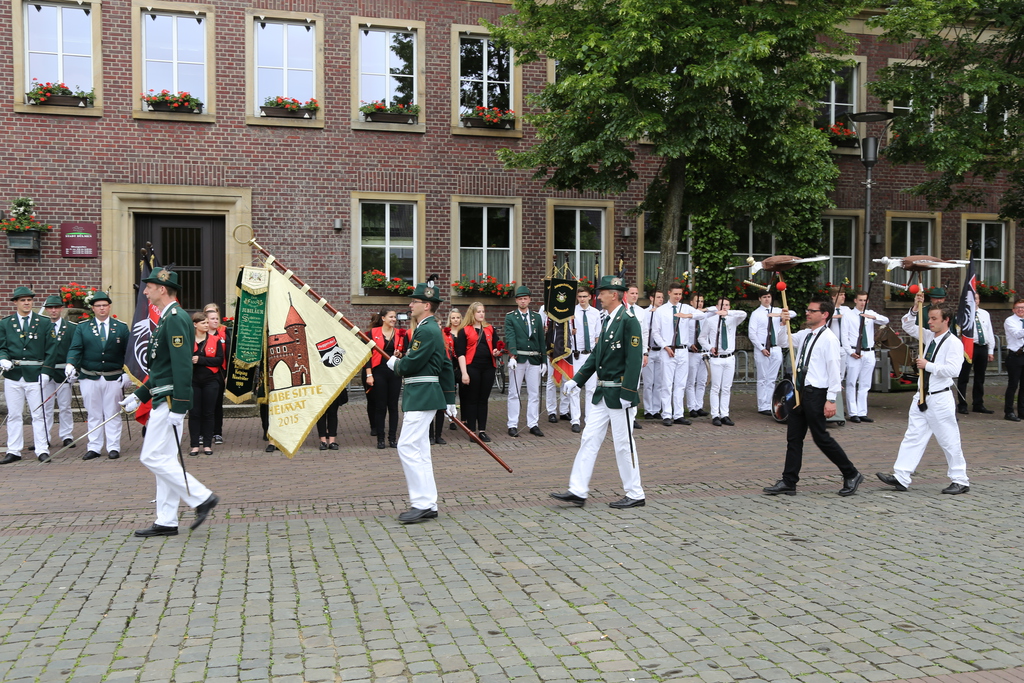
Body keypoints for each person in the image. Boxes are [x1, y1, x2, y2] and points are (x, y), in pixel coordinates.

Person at [119, 267, 219, 537]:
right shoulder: (167, 317)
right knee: (163, 460)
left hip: (170, 400)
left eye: (149, 287)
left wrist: (181, 405)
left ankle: (202, 497)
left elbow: (182, 364)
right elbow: (162, 367)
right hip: (163, 396)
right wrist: (138, 396)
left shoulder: (174, 318)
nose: (145, 292)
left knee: (151, 456)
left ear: (162, 289)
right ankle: (166, 520)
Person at [550, 276, 645, 509]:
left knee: (623, 444)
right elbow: (596, 356)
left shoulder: (628, 320)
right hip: (603, 393)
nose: (598, 296)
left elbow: (634, 360)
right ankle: (578, 490)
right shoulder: (609, 320)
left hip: (619, 394)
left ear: (614, 294)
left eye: (602, 293)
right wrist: (577, 380)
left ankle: (635, 492)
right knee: (589, 438)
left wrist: (628, 392)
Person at [764, 298, 864, 497]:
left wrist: (831, 399)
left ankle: (851, 473)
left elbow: (834, 371)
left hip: (816, 393)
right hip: (799, 392)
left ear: (824, 314)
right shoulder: (805, 334)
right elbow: (783, 341)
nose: (807, 313)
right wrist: (783, 324)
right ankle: (789, 481)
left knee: (821, 438)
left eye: (812, 311)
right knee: (793, 438)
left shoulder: (829, 339)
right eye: (807, 310)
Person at [877, 295, 970, 494]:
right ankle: (901, 476)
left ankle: (960, 479)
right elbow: (908, 326)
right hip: (921, 396)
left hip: (940, 397)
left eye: (934, 319)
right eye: (929, 318)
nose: (930, 322)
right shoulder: (929, 337)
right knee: (913, 436)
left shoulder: (953, 343)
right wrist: (915, 308)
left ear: (946, 320)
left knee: (949, 440)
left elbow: (954, 370)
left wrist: (928, 365)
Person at [386, 282, 457, 523]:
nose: (410, 305)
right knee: (420, 450)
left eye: (414, 301)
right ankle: (428, 502)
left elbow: (412, 363)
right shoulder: (431, 328)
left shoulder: (426, 330)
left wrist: (396, 365)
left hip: (422, 395)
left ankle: (421, 503)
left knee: (406, 447)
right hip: (425, 394)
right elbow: (445, 365)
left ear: (426, 305)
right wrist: (449, 399)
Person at [65, 291, 129, 460]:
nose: (102, 308)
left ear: (109, 307)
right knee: (93, 413)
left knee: (113, 412)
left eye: (104, 305)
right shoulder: (82, 327)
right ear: (93, 308)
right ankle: (94, 447)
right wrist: (71, 363)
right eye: (98, 306)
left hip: (113, 376)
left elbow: (128, 352)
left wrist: (127, 373)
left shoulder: (121, 327)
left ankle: (113, 446)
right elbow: (76, 348)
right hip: (89, 376)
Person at [0, 286, 54, 464]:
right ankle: (14, 450)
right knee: (14, 414)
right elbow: (2, 346)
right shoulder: (6, 323)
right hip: (13, 374)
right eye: (22, 300)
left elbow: (51, 349)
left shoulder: (44, 322)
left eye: (29, 300)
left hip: (35, 374)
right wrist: (3, 358)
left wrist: (46, 372)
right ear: (15, 302)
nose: (26, 303)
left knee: (38, 414)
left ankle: (42, 449)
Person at [652, 284, 704, 426]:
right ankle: (666, 414)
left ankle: (678, 414)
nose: (678, 297)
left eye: (680, 294)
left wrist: (688, 315)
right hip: (668, 349)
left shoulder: (685, 308)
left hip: (683, 350)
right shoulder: (661, 311)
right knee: (667, 384)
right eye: (675, 294)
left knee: (680, 384)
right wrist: (665, 346)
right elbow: (655, 332)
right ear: (669, 293)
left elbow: (702, 314)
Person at [698, 297, 747, 426]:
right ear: (716, 307)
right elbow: (701, 338)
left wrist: (728, 313)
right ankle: (715, 415)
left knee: (726, 388)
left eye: (727, 305)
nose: (724, 307)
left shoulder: (733, 319)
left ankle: (725, 414)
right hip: (717, 358)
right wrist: (710, 347)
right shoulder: (710, 321)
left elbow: (743, 314)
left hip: (729, 357)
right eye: (722, 305)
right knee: (716, 387)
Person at [504, 285, 546, 437]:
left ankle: (533, 423)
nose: (523, 301)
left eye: (525, 299)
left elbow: (541, 339)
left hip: (534, 358)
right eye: (520, 299)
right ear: (516, 300)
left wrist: (544, 360)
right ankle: (512, 424)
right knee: (514, 392)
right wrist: (512, 355)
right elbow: (510, 337)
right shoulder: (511, 317)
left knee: (534, 393)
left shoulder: (536, 317)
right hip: (518, 358)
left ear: (529, 300)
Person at [455, 302, 500, 442]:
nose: (481, 314)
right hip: (472, 367)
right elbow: (460, 353)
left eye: (483, 311)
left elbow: (497, 346)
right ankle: (472, 431)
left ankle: (482, 430)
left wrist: (497, 351)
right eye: (478, 311)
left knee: (483, 399)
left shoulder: (489, 328)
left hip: (488, 367)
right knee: (472, 399)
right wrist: (464, 373)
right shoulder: (464, 330)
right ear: (472, 313)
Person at [843, 290, 889, 423]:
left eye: (865, 300)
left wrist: (873, 317)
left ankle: (862, 412)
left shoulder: (870, 313)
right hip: (855, 351)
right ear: (855, 301)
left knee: (865, 383)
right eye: (860, 300)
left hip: (869, 352)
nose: (862, 303)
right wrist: (849, 351)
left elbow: (886, 320)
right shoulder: (848, 315)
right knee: (851, 382)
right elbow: (844, 335)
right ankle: (853, 412)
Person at [366, 308, 407, 449]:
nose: (393, 319)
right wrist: (369, 374)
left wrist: (400, 355)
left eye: (395, 317)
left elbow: (405, 353)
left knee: (393, 406)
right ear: (383, 318)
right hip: (379, 371)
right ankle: (380, 438)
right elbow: (367, 355)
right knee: (380, 406)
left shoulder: (400, 334)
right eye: (391, 317)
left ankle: (392, 438)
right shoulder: (373, 333)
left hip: (394, 372)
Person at [748, 291, 794, 417]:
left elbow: (792, 313)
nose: (767, 299)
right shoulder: (756, 314)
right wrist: (761, 348)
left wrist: (780, 314)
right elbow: (752, 333)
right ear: (760, 299)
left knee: (772, 378)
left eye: (769, 297)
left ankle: (770, 403)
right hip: (763, 347)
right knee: (762, 378)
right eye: (764, 297)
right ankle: (762, 405)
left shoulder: (776, 311)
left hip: (775, 347)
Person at [41, 294, 77, 449]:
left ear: (62, 309)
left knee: (65, 406)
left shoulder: (72, 328)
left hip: (63, 371)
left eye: (56, 307)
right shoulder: (42, 327)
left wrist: (74, 367)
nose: (53, 310)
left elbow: (75, 348)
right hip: (46, 372)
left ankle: (67, 435)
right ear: (46, 309)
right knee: (46, 407)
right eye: (50, 308)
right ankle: (44, 437)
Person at [188, 311, 223, 456]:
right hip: (193, 381)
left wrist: (200, 360)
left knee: (209, 413)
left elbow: (219, 360)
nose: (207, 325)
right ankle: (195, 445)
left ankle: (207, 445)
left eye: (207, 323)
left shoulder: (215, 340)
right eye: (203, 323)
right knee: (194, 413)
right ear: (195, 324)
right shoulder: (188, 340)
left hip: (211, 381)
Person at [568, 287, 601, 433]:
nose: (582, 299)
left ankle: (589, 419)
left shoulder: (595, 313)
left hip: (591, 354)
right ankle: (575, 420)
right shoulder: (572, 312)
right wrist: (571, 332)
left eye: (584, 296)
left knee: (591, 388)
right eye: (580, 296)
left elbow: (597, 334)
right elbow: (565, 334)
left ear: (590, 297)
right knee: (575, 387)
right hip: (577, 354)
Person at [956, 302, 995, 415]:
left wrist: (990, 350)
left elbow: (989, 332)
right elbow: (958, 332)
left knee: (980, 378)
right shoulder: (962, 314)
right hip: (968, 347)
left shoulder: (985, 313)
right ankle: (962, 404)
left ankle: (978, 404)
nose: (974, 301)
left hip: (982, 347)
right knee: (964, 377)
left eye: (976, 298)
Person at [431, 307, 461, 444]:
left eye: (440, 325)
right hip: (431, 376)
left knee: (441, 407)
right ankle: (430, 435)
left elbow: (447, 360)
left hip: (442, 375)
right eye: (436, 325)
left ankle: (438, 435)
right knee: (430, 407)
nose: (439, 328)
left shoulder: (444, 339)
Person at [540, 302, 571, 423]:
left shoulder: (569, 307)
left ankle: (564, 410)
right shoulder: (545, 308)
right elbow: (540, 327)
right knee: (551, 380)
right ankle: (551, 411)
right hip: (552, 349)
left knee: (566, 379)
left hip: (566, 348)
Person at [203, 303, 228, 445]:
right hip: (202, 374)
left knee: (217, 404)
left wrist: (227, 374)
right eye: (211, 318)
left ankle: (217, 432)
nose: (215, 320)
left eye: (216, 317)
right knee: (203, 405)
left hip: (220, 372)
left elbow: (227, 353)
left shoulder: (223, 332)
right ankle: (203, 433)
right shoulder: (199, 334)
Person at [624, 285, 648, 430]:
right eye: (632, 293)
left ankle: (632, 418)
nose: (634, 296)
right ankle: (621, 416)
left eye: (636, 293)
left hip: (637, 352)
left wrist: (645, 352)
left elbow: (644, 333)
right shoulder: (621, 310)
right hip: (623, 352)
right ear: (626, 294)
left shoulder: (641, 312)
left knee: (635, 385)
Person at [685, 292, 710, 418]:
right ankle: (691, 407)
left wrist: (705, 310)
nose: (700, 303)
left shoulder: (706, 316)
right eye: (697, 301)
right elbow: (683, 334)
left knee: (702, 381)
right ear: (691, 303)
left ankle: (699, 406)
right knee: (691, 381)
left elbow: (715, 309)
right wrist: (690, 344)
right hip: (692, 353)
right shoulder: (688, 317)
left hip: (703, 353)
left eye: (701, 301)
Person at [642, 290, 664, 419]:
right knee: (648, 382)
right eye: (658, 297)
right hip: (649, 351)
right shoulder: (645, 313)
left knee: (659, 382)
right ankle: (648, 409)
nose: (660, 299)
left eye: (662, 297)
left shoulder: (664, 313)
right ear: (651, 298)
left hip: (660, 351)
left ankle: (656, 409)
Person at [1002, 297, 1024, 422]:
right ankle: (1009, 411)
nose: (1020, 310)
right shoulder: (1010, 321)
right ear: (1013, 309)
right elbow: (1017, 334)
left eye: (1023, 308)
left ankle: (1022, 411)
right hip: (1015, 356)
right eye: (1018, 307)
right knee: (1013, 385)